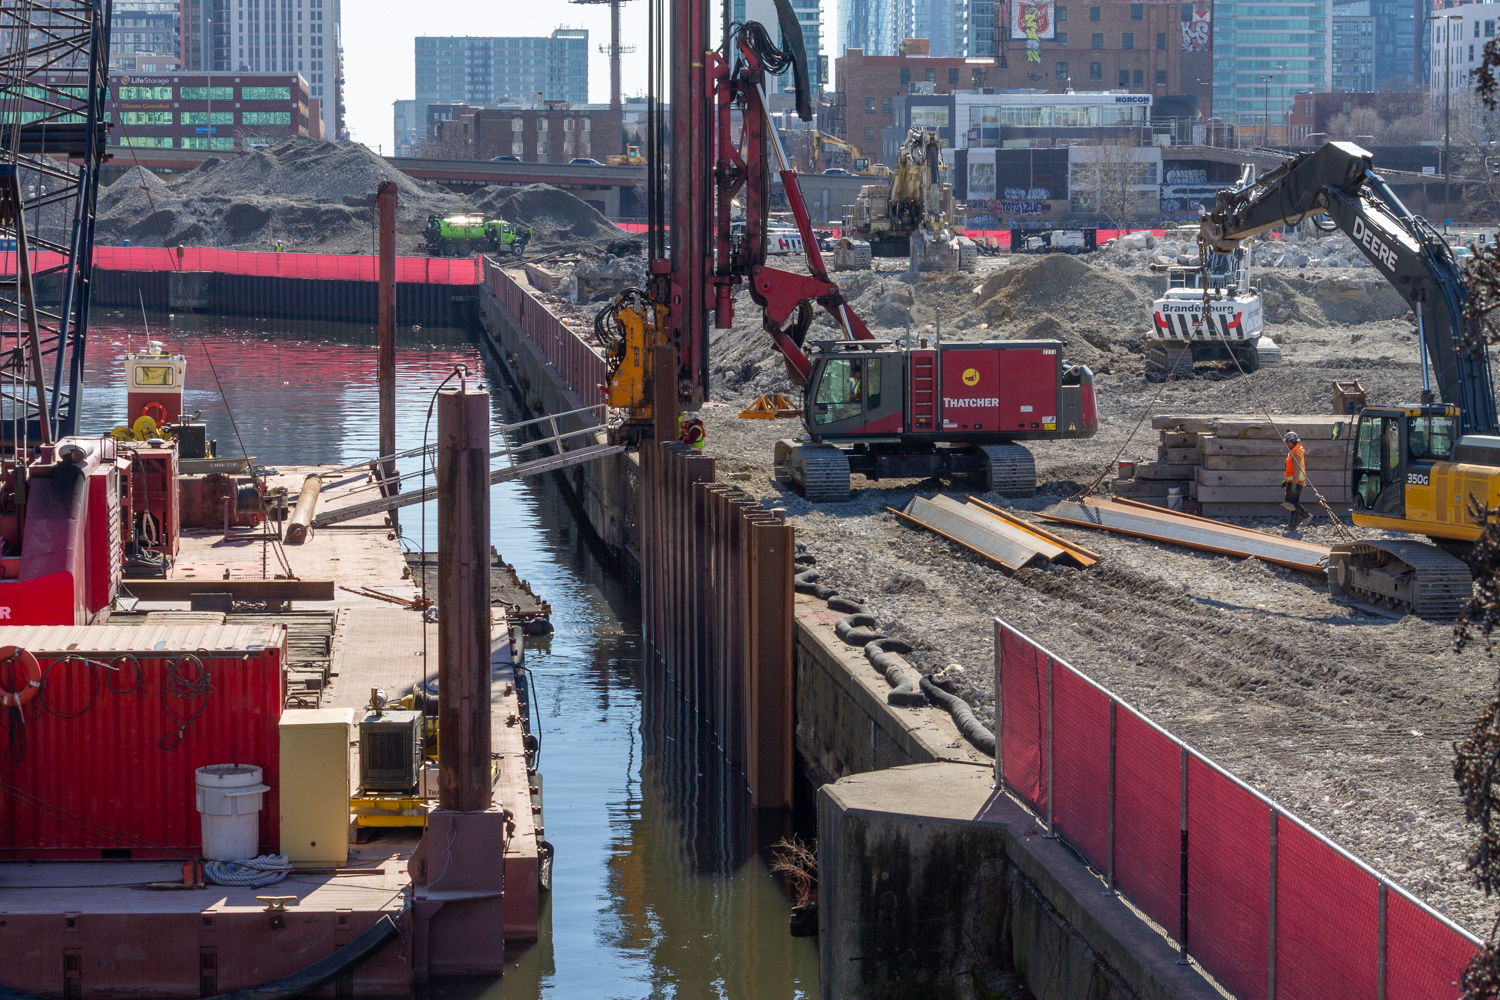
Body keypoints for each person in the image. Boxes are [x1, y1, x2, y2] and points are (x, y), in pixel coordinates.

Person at [1282, 430, 1309, 531]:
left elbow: (1297, 470)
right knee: (1293, 502)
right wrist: (1286, 481)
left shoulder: (1296, 453)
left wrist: (1293, 484)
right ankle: (1292, 525)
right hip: (1294, 481)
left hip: (1297, 482)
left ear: (1291, 441)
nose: (1285, 443)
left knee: (1291, 503)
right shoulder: (1293, 451)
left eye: (1287, 441)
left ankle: (1306, 515)